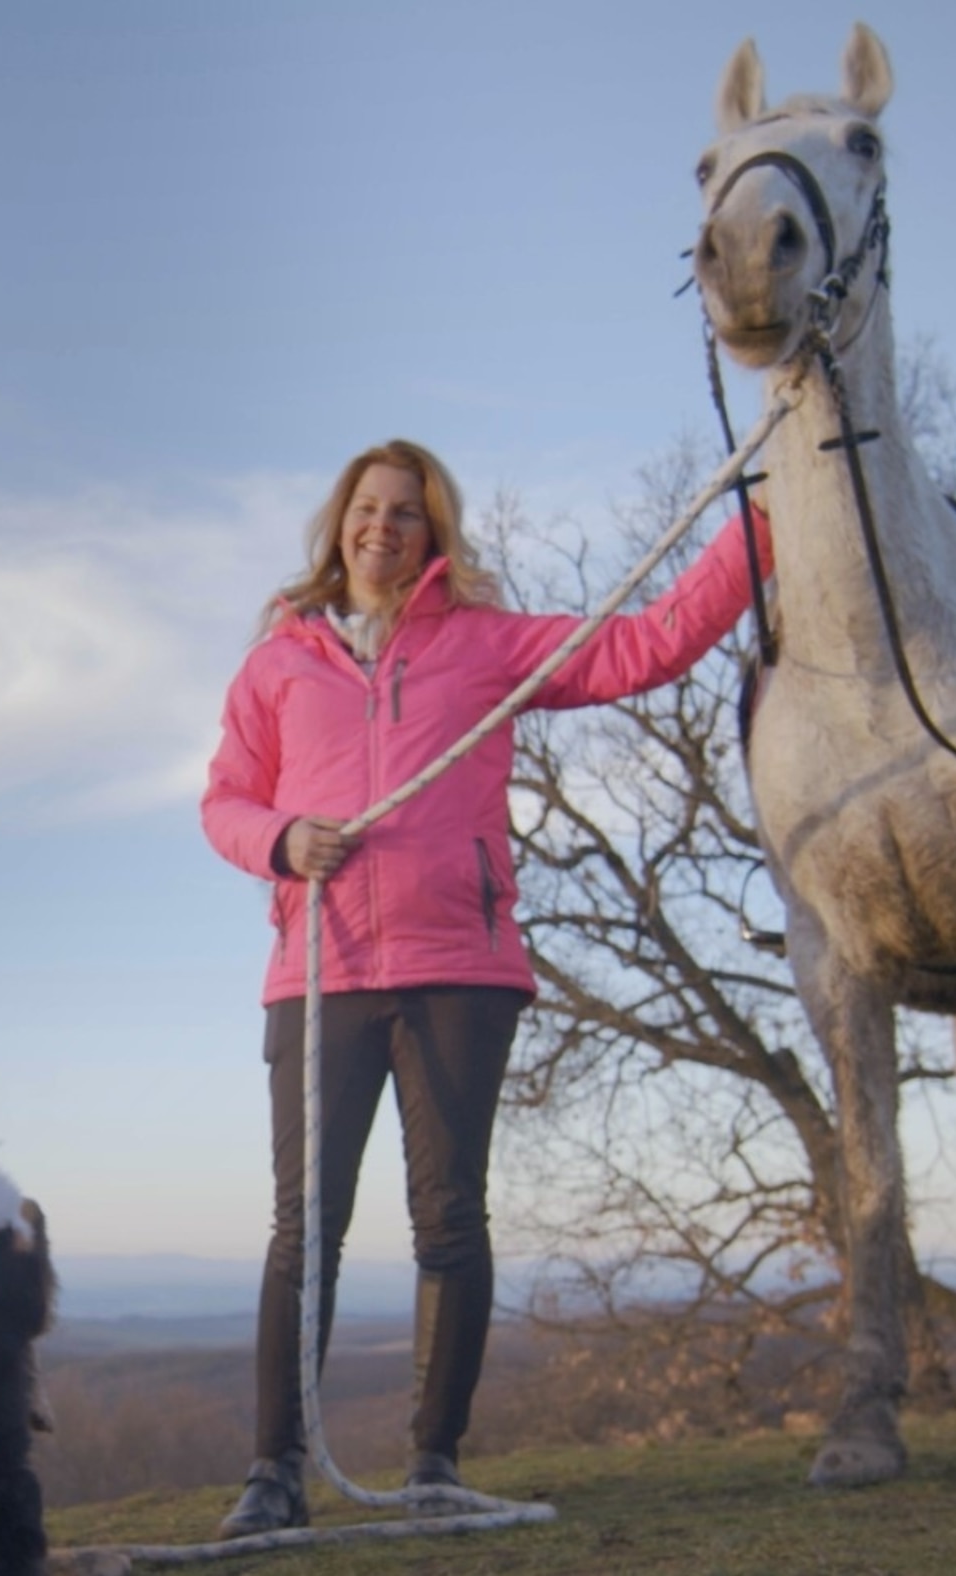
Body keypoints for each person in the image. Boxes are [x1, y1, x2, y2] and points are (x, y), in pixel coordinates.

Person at [198, 439, 767, 1535]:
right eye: (368, 508)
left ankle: (434, 1463)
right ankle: (273, 1472)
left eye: (407, 512)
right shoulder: (278, 663)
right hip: (322, 974)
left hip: (462, 970)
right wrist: (282, 837)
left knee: (449, 1217)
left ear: (434, 533)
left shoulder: (484, 644)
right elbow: (224, 801)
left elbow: (643, 648)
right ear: (340, 524)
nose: (384, 526)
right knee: (302, 1225)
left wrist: (763, 532)